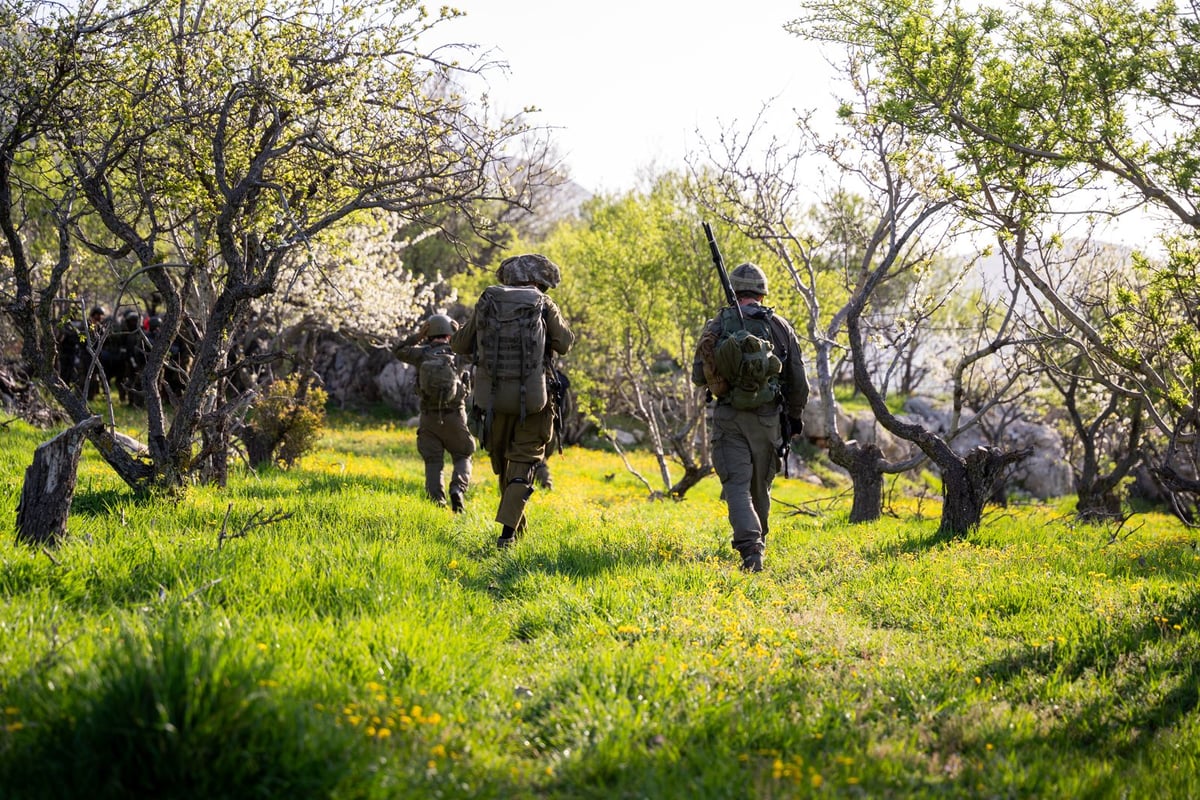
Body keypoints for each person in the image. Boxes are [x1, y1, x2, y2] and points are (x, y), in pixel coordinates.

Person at [692, 262, 808, 572]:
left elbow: (697, 377)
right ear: (761, 292)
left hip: (729, 417)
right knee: (760, 487)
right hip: (769, 419)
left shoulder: (716, 325)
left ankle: (750, 549)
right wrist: (794, 418)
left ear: (733, 291)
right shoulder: (781, 327)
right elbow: (798, 381)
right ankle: (759, 544)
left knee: (736, 487)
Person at [452, 253, 574, 548]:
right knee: (523, 464)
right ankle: (507, 537)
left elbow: (459, 344)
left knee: (506, 468)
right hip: (535, 400)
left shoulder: (488, 302)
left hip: (491, 401)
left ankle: (516, 533)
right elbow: (565, 343)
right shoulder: (544, 305)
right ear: (538, 281)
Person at [394, 313, 475, 512]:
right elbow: (478, 349)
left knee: (433, 462)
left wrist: (417, 337)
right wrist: (460, 333)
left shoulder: (420, 354)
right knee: (463, 455)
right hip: (456, 416)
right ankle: (457, 488)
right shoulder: (458, 354)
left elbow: (397, 350)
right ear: (449, 333)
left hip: (429, 418)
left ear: (428, 334)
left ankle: (437, 505)